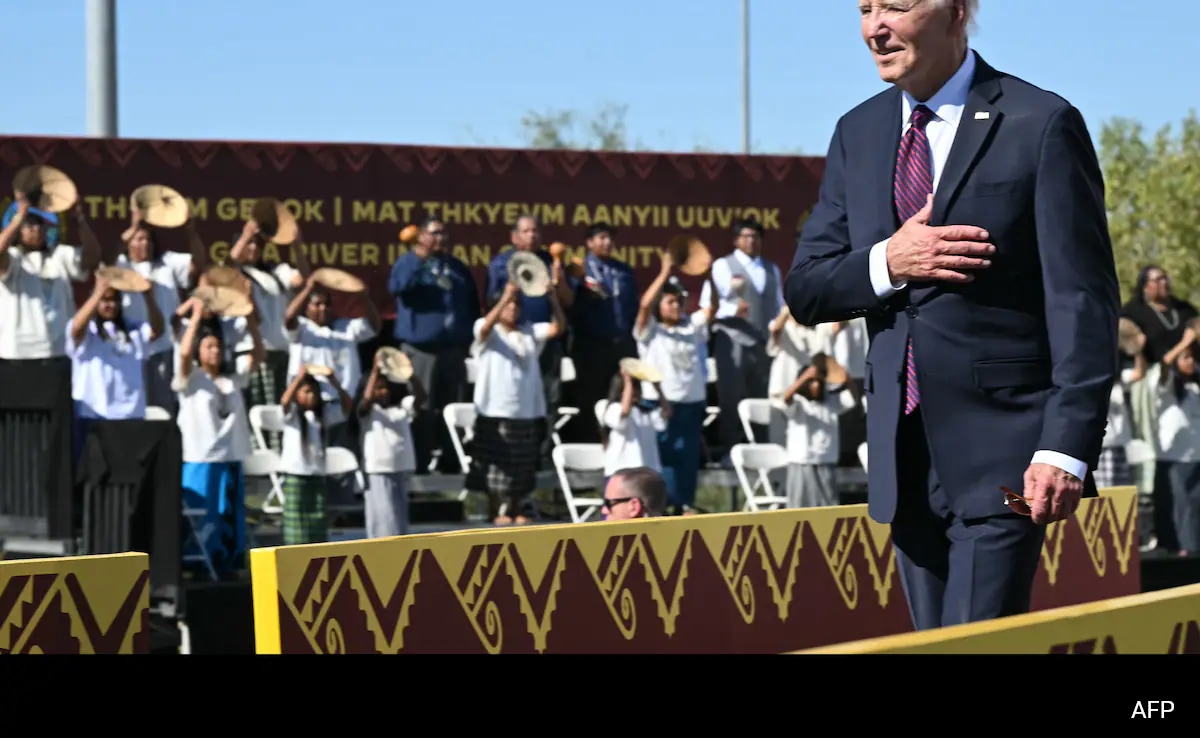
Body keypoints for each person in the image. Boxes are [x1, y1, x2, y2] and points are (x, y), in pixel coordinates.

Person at [785, 0, 1119, 630]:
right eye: (864, 9)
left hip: (1010, 462)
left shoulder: (1039, 122)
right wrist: (890, 260)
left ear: (957, 11)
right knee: (934, 644)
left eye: (897, 6)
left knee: (978, 640)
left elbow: (1083, 300)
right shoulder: (856, 133)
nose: (875, 27)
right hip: (899, 462)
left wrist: (1066, 448)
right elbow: (807, 290)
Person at [466, 281, 566, 525]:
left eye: (515, 305)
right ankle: (495, 510)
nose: (512, 310)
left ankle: (515, 507)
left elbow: (558, 327)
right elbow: (484, 329)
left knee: (523, 465)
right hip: (495, 409)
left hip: (527, 409)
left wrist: (553, 299)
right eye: (508, 306)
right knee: (496, 467)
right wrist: (504, 298)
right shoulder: (487, 329)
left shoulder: (529, 332)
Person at [173, 297, 257, 578]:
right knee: (203, 515)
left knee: (228, 514)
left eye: (219, 346)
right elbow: (183, 354)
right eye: (209, 346)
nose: (216, 351)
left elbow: (258, 354)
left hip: (230, 455)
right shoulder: (190, 379)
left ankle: (229, 565)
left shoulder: (233, 378)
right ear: (199, 350)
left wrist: (250, 314)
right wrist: (195, 316)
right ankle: (197, 565)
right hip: (200, 457)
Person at [633, 250, 718, 514]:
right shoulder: (651, 331)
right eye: (670, 301)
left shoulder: (691, 327)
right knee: (662, 456)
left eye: (680, 301)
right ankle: (660, 505)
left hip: (691, 401)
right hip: (660, 402)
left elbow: (711, 307)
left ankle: (684, 503)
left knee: (687, 457)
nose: (676, 306)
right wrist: (664, 274)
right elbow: (644, 306)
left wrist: (709, 277)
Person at [358, 350, 424, 538]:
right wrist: (375, 372)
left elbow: (421, 397)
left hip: (401, 467)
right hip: (378, 469)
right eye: (378, 388)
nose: (383, 392)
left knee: (398, 517)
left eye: (385, 387)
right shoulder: (370, 412)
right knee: (384, 516)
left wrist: (409, 375)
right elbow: (366, 400)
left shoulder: (402, 407)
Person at [601, 466, 668, 521]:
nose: (603, 511)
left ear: (633, 507)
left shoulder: (599, 537)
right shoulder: (675, 534)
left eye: (608, 503)